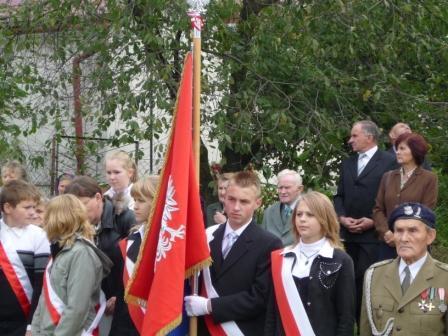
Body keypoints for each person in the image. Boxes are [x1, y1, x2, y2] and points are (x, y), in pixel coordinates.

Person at [184, 171, 282, 335]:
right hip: (205, 329)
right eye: (231, 199)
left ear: (258, 203)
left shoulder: (269, 244)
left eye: (244, 201)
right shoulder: (208, 236)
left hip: (241, 329)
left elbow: (259, 298)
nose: (236, 207)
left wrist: (209, 306)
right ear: (224, 198)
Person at [265, 191, 355, 336]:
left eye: (310, 215)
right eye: (299, 214)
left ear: (324, 218)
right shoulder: (281, 258)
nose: (302, 219)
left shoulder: (341, 260)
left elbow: (346, 318)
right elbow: (271, 313)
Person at [333, 120, 396, 326]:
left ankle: (368, 327)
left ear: (369, 137)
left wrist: (373, 220)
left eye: (354, 136)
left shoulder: (389, 161)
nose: (350, 140)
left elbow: (393, 197)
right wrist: (341, 217)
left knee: (368, 286)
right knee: (346, 284)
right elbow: (339, 196)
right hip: (347, 236)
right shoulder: (348, 163)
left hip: (373, 237)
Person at [360, 202, 448, 335]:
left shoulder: (444, 277)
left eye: (413, 230)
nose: (404, 238)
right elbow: (366, 329)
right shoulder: (375, 275)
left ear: (430, 236)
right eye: (399, 231)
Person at [31, 194, 112, 335]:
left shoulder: (81, 253)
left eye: (47, 214)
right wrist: (35, 330)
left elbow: (77, 308)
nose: (43, 220)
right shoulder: (59, 250)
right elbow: (44, 300)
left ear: (59, 218)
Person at [64, 176, 135, 331]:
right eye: (73, 207)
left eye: (82, 205)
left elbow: (135, 264)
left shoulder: (125, 219)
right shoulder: (75, 224)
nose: (78, 212)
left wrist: (121, 295)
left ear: (98, 197)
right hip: (91, 302)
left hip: (122, 302)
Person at [373, 133, 438, 260]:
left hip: (414, 244)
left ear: (415, 151)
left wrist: (402, 234)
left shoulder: (429, 178)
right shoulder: (388, 176)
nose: (397, 152)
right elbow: (378, 209)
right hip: (387, 245)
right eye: (397, 148)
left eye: (402, 148)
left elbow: (425, 212)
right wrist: (387, 232)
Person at [110, 175, 159, 336]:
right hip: (126, 324)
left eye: (141, 201)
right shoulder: (130, 241)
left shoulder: (169, 245)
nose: (135, 206)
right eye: (134, 200)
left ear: (158, 201)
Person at [0, 180, 50, 336]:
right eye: (27, 207)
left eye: (34, 207)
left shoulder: (39, 236)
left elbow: (40, 284)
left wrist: (31, 324)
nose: (33, 212)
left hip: (23, 320)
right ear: (8, 208)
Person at [262, 169, 304, 246]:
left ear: (300, 189)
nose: (283, 192)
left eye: (287, 188)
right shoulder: (269, 212)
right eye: (280, 188)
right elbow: (261, 242)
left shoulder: (311, 210)